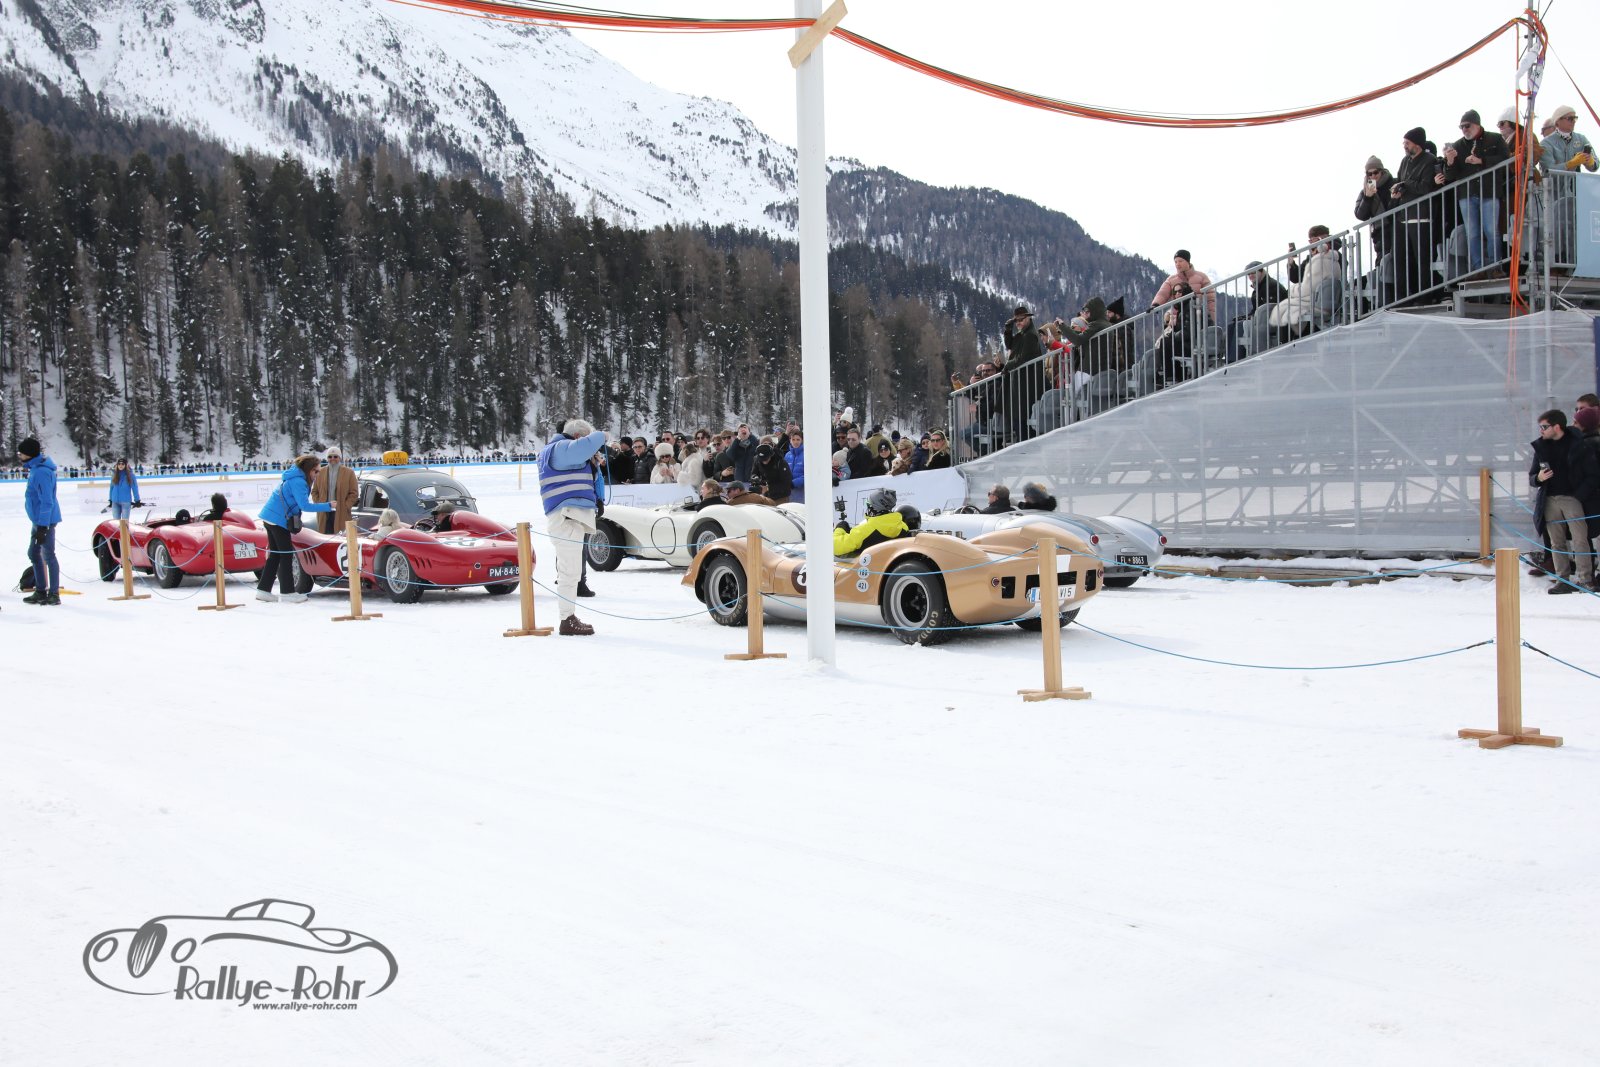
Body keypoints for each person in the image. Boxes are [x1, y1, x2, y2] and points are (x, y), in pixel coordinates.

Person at [537, 418, 607, 634]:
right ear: (577, 437)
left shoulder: (559, 451)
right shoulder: (560, 448)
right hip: (565, 517)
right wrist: (601, 436)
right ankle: (567, 619)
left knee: (572, 571)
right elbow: (593, 440)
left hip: (568, 516)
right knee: (569, 572)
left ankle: (568, 617)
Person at [1529, 409, 1599, 594]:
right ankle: (1562, 579)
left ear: (1557, 427)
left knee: (1580, 539)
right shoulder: (1541, 447)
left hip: (1572, 499)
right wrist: (1539, 478)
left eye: (1544, 427)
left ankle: (1586, 579)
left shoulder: (1579, 444)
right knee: (1556, 542)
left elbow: (1593, 475)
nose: (1541, 431)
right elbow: (1532, 476)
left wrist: (1578, 496)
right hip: (1549, 500)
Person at [256, 455, 335, 603]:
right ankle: (287, 592)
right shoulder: (299, 482)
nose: (317, 474)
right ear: (308, 470)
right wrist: (328, 506)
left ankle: (263, 589)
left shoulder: (293, 477)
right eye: (316, 471)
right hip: (278, 520)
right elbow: (305, 505)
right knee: (286, 555)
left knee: (275, 555)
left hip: (270, 516)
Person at [1441, 110, 1509, 274]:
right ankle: (1477, 270)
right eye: (1461, 127)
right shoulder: (1457, 146)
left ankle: (1495, 267)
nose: (1464, 129)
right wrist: (1450, 161)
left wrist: (1481, 161)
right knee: (1472, 234)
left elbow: (1506, 159)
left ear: (1477, 125)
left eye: (1467, 126)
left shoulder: (1495, 139)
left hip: (1489, 191)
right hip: (1466, 194)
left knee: (1491, 231)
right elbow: (1450, 176)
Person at [1389, 127, 1439, 302]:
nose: (1404, 146)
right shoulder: (1405, 161)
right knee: (1400, 259)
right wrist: (1397, 190)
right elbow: (1400, 180)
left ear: (1417, 144)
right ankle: (1403, 297)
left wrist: (1406, 184)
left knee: (1422, 259)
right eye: (1404, 142)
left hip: (1421, 217)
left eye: (1407, 143)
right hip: (1403, 216)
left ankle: (1425, 296)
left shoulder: (1429, 160)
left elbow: (1426, 187)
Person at [18, 437, 62, 606]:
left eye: (21, 453)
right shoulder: (35, 469)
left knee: (48, 555)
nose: (20, 455)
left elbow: (47, 501)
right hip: (38, 520)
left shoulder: (41, 472)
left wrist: (43, 526)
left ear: (29, 454)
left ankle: (54, 593)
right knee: (34, 553)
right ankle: (41, 590)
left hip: (45, 521)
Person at [832, 488, 911, 556]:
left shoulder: (863, 531)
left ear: (874, 507)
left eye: (868, 503)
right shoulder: (903, 527)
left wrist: (839, 529)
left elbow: (835, 547)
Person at [1150, 250, 1216, 321]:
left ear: (1188, 261)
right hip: (1178, 318)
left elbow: (1211, 299)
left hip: (1198, 317)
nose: (1177, 264)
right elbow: (1162, 293)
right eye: (1175, 262)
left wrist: (1212, 320)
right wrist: (1155, 304)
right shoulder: (1171, 280)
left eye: (1180, 261)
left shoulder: (1201, 277)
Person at [311, 447, 359, 534]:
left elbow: (354, 493)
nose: (332, 459)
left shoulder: (349, 473)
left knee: (340, 537)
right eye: (330, 457)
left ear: (339, 458)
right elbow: (314, 491)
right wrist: (319, 504)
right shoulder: (320, 472)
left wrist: (346, 506)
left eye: (335, 456)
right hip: (324, 512)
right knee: (325, 538)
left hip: (341, 512)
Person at [1541, 104, 1597, 177]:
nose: (1574, 121)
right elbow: (1547, 171)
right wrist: (1569, 164)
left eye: (1575, 118)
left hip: (1576, 184)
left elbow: (1596, 164)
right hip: (1554, 184)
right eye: (1570, 118)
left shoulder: (1581, 139)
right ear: (1558, 121)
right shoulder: (1546, 143)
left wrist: (1591, 163)